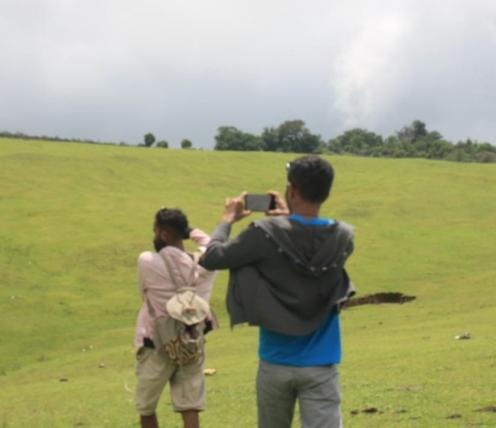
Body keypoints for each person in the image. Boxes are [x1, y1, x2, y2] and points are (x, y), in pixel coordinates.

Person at [199, 155, 355, 428]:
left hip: (276, 360)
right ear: (327, 193)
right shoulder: (343, 237)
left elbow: (213, 258)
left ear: (291, 189)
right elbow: (306, 245)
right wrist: (289, 218)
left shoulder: (264, 233)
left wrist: (226, 220)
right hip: (322, 363)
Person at [133, 207, 219, 428]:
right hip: (191, 343)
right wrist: (190, 232)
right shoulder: (204, 265)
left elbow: (143, 292)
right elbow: (212, 245)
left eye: (156, 231)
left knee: (146, 407)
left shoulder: (147, 261)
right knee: (189, 407)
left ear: (163, 234)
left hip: (156, 344)